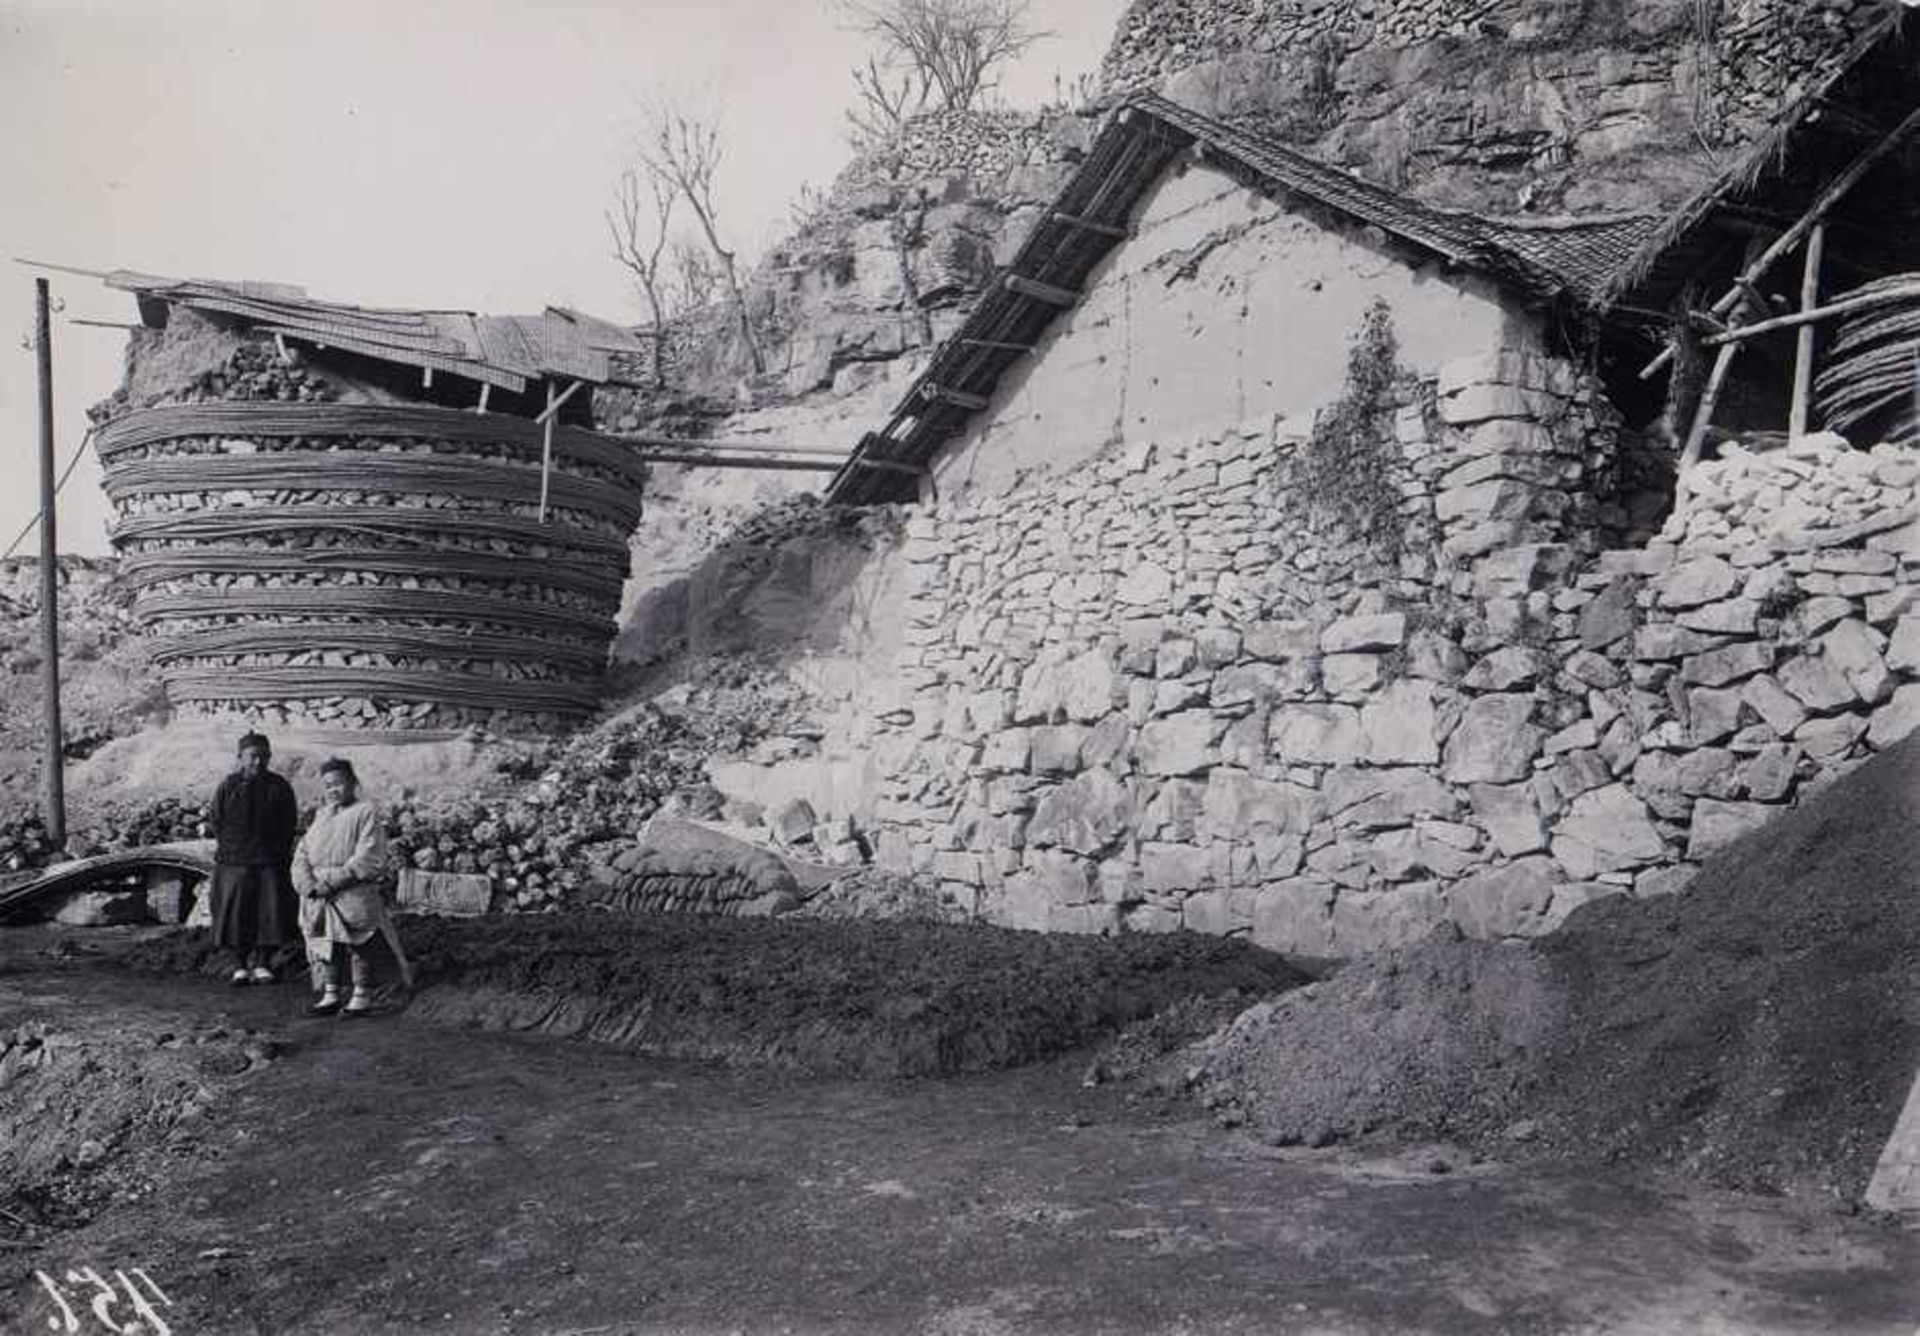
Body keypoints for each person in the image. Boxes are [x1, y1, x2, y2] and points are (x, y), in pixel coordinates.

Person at [292, 757, 412, 1017]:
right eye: (327, 785)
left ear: (352, 783)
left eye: (338, 783)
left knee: (360, 943)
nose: (333, 790)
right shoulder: (320, 816)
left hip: (351, 889)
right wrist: (306, 883)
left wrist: (334, 881)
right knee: (328, 944)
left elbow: (368, 856)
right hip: (318, 893)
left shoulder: (365, 812)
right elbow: (302, 853)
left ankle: (362, 995)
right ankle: (331, 992)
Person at [208, 731, 300, 986]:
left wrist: (277, 853)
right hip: (234, 862)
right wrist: (232, 847)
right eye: (253, 757)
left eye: (264, 757)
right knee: (237, 913)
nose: (258, 762)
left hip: (269, 861)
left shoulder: (279, 787)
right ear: (240, 757)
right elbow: (216, 820)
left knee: (268, 911)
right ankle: (239, 965)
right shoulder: (228, 786)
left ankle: (263, 963)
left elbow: (289, 823)